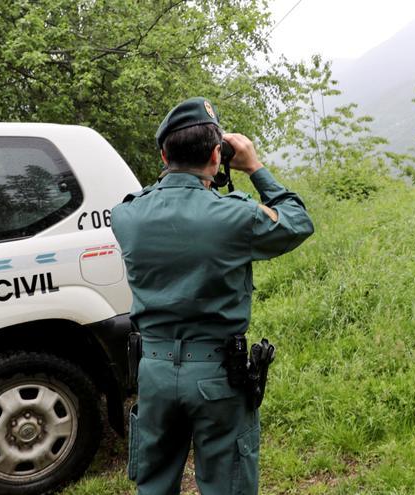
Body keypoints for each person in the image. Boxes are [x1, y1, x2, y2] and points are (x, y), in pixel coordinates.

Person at [111, 97, 314, 495]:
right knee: (227, 485)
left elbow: (165, 193)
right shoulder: (234, 216)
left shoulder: (127, 215)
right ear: (218, 154)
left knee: (152, 485)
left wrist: (182, 169)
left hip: (152, 370)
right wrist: (254, 167)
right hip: (218, 377)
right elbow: (297, 222)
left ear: (164, 154)